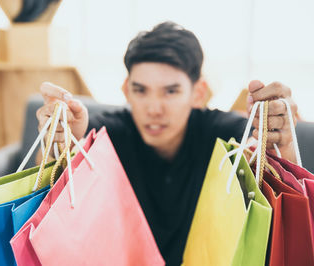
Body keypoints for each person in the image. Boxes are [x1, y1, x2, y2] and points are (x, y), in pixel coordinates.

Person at [36, 21, 298, 265]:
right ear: (127, 90)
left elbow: (271, 163)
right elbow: (52, 179)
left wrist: (280, 135)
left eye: (171, 91)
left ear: (198, 93)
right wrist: (58, 138)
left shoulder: (221, 131)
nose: (154, 109)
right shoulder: (110, 133)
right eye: (141, 90)